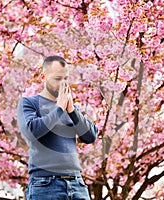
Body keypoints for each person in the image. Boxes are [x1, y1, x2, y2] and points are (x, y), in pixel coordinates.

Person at [17, 55, 98, 200]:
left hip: (76, 184)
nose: (63, 84)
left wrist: (72, 110)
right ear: (43, 77)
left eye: (66, 78)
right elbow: (32, 131)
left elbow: (90, 136)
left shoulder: (71, 109)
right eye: (58, 79)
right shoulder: (29, 103)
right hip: (45, 185)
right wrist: (59, 108)